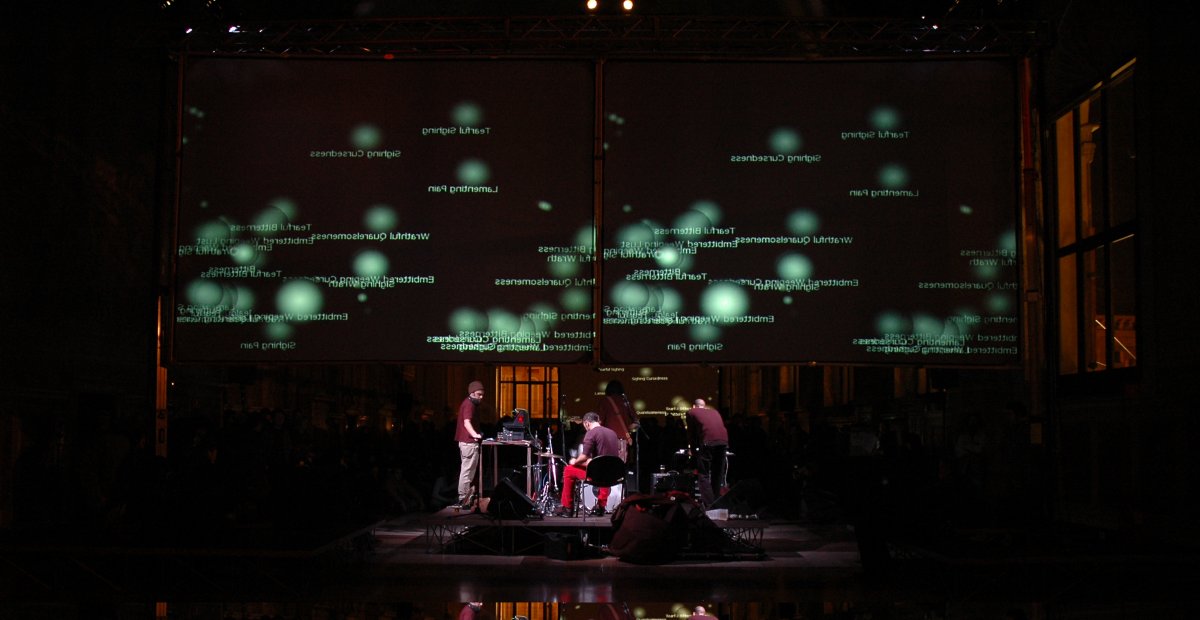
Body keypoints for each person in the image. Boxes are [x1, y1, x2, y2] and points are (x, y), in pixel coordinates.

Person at [556, 411, 621, 517]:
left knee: (569, 469)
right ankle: (601, 507)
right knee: (604, 468)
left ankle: (568, 508)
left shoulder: (591, 433)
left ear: (586, 423)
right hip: (613, 475)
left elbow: (585, 457)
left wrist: (575, 461)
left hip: (597, 476)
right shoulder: (612, 433)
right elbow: (606, 458)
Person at [686, 398, 729, 507]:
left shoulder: (691, 412)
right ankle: (716, 501)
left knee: (703, 474)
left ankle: (709, 504)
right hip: (723, 442)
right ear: (704, 406)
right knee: (717, 473)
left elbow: (691, 433)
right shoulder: (714, 411)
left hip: (708, 442)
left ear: (694, 406)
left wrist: (693, 450)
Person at [453, 380, 485, 508]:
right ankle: (463, 498)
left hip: (468, 443)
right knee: (467, 471)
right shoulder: (469, 404)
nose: (481, 397)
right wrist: (475, 435)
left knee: (468, 471)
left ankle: (465, 498)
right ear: (472, 393)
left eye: (482, 394)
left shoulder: (469, 403)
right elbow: (467, 422)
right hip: (469, 443)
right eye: (479, 394)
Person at [597, 379, 639, 462]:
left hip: (608, 439)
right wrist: (626, 429)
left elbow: (599, 421)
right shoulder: (626, 402)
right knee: (620, 464)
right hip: (623, 439)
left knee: (609, 464)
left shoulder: (605, 401)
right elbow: (635, 423)